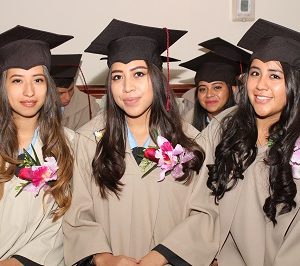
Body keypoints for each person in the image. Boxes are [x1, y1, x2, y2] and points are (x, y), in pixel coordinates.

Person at [63, 19, 217, 266]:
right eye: (117, 76)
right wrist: (104, 258)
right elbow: (77, 215)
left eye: (138, 74)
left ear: (157, 79)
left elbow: (204, 212)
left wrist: (160, 256)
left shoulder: (189, 142)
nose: (127, 87)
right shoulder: (89, 141)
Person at [194, 18, 300, 265]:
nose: (260, 85)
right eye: (255, 72)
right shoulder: (225, 126)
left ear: (295, 83)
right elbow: (195, 190)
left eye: (274, 75)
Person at [0, 25, 74, 265]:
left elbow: (64, 224)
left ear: (48, 86)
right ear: (3, 86)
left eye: (38, 79)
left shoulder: (70, 145)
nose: (29, 91)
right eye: (17, 80)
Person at [179, 52, 237, 131]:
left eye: (217, 87)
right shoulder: (185, 128)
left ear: (233, 90)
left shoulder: (246, 126)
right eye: (202, 89)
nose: (209, 94)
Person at [50, 54, 101, 131]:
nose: (68, 97)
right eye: (60, 93)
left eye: (70, 90)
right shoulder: (34, 105)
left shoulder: (88, 105)